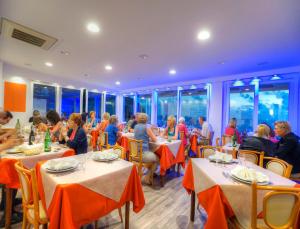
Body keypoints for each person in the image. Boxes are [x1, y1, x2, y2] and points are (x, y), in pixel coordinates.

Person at [134, 113, 158, 184]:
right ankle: (148, 177)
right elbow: (155, 139)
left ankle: (147, 173)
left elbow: (141, 137)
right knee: (157, 159)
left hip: (135, 153)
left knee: (152, 156)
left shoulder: (136, 126)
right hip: (143, 153)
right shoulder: (147, 128)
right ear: (146, 120)